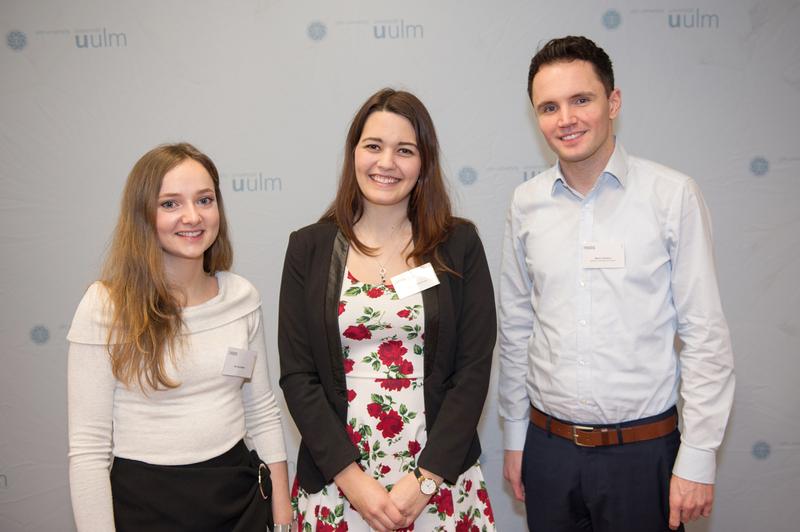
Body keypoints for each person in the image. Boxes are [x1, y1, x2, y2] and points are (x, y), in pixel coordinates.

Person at [498, 36, 735, 532]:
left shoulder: (672, 197)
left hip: (642, 456)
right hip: (548, 451)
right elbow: (517, 329)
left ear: (614, 102)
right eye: (549, 106)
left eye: (581, 100)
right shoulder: (525, 204)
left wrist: (698, 456)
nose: (566, 119)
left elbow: (704, 335)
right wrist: (517, 437)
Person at [278, 88, 497, 531]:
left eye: (405, 150)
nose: (386, 163)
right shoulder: (309, 248)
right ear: (353, 152)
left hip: (438, 478)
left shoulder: (459, 245)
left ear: (424, 163)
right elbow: (299, 376)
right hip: (339, 481)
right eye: (373, 146)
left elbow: (472, 370)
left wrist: (427, 479)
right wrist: (352, 481)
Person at [67, 143, 293, 531]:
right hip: (145, 506)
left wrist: (284, 515)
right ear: (142, 215)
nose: (192, 216)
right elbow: (89, 449)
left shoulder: (240, 296)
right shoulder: (104, 306)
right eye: (170, 204)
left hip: (239, 500)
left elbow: (261, 411)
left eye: (204, 200)